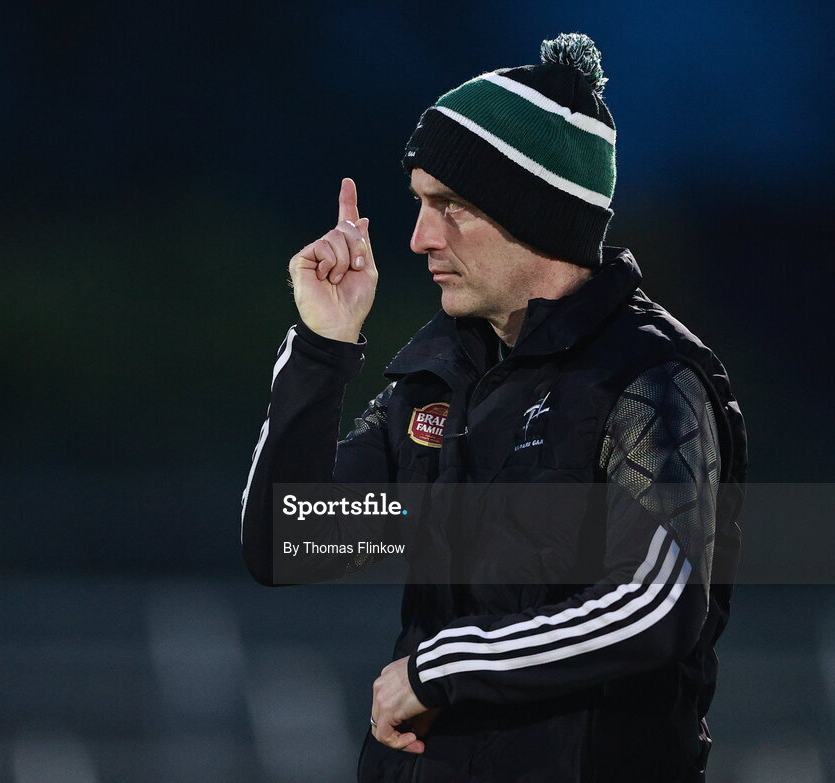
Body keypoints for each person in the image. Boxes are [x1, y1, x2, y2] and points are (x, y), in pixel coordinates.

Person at [240, 33, 747, 783]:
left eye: (451, 206)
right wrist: (322, 345)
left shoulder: (651, 376)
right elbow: (290, 545)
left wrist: (438, 668)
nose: (418, 237)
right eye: (419, 203)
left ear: (538, 215)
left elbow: (656, 603)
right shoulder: (438, 375)